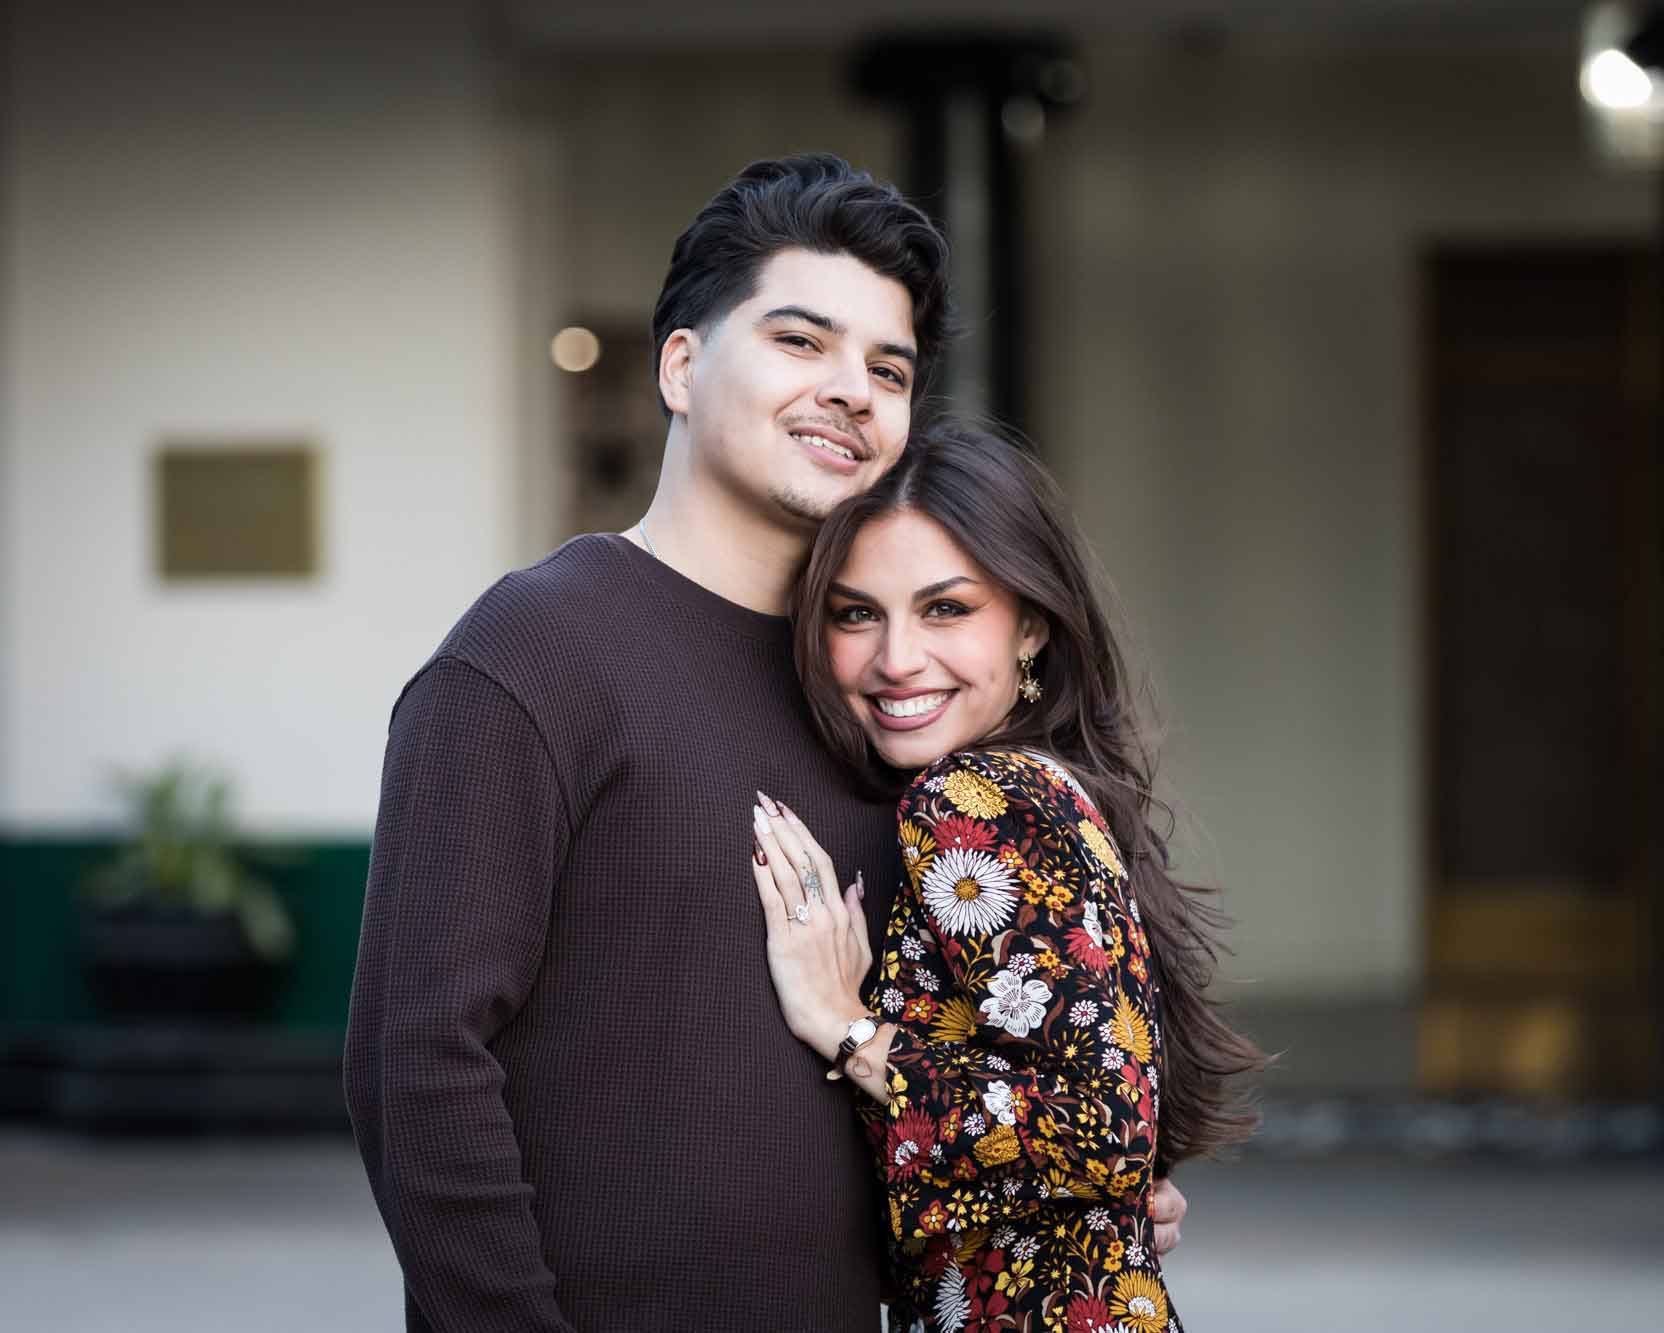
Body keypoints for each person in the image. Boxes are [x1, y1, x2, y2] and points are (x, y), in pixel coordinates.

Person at [342, 154, 1185, 1333]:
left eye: (886, 369)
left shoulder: (877, 704)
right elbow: (416, 1063)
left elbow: (971, 1054)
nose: (851, 390)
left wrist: (1059, 1192)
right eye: (801, 342)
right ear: (680, 366)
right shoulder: (531, 653)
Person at [746, 419, 1265, 1333]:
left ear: (1030, 623)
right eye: (856, 612)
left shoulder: (972, 795)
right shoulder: (1052, 788)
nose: (897, 658)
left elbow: (1103, 1130)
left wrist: (848, 1028)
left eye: (947, 608)